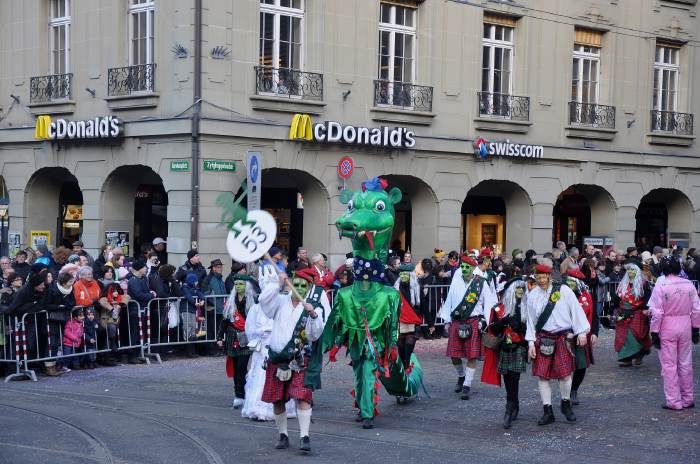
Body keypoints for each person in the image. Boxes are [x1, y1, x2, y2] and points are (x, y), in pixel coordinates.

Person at [258, 265, 330, 453]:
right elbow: (263, 302)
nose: (298, 287)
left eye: (303, 285)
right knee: (277, 400)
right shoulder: (280, 302)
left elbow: (314, 335)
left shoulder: (313, 307)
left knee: (302, 396)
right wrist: (277, 284)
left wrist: (313, 315)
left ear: (308, 287)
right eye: (295, 283)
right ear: (290, 284)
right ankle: (283, 435)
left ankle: (304, 437)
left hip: (299, 359)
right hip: (276, 358)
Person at [525, 262, 589, 426]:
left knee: (565, 375)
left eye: (544, 277)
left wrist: (581, 331)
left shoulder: (564, 291)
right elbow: (531, 322)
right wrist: (531, 343)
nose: (542, 280)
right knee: (542, 376)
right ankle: (548, 411)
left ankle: (565, 404)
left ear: (550, 276)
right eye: (538, 277)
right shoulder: (532, 295)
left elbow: (576, 310)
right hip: (543, 338)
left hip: (562, 338)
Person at [439, 254, 497, 400]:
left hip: (473, 320)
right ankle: (461, 376)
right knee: (454, 355)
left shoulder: (480, 283)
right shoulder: (456, 281)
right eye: (462, 267)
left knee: (472, 355)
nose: (464, 269)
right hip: (457, 320)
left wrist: (486, 322)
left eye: (467, 267)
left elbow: (489, 303)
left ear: (473, 268)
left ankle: (467, 385)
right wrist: (446, 320)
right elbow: (450, 299)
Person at [649, 257, 700, 410]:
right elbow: (697, 309)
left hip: (667, 326)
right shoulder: (689, 284)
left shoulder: (661, 285)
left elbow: (657, 312)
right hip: (685, 325)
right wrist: (695, 328)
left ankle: (673, 400)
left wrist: (654, 332)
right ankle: (688, 398)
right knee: (685, 363)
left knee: (669, 365)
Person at [242, 281, 295, 422]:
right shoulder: (255, 309)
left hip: (277, 347)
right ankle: (258, 406)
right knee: (260, 376)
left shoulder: (283, 306)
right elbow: (250, 329)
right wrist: (262, 332)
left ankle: (281, 408)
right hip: (262, 348)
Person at [486, 278, 528, 429]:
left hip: (519, 346)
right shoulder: (499, 308)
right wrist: (504, 321)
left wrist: (520, 327)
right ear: (511, 291)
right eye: (518, 289)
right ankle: (514, 403)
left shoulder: (526, 307)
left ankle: (509, 408)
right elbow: (492, 329)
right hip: (504, 347)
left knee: (514, 377)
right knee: (507, 377)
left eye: (522, 289)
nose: (520, 292)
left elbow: (531, 329)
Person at [217, 275, 254, 408]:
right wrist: (219, 337)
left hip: (246, 337)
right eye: (236, 284)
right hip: (232, 337)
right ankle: (238, 396)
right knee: (235, 367)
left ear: (246, 286)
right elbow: (225, 321)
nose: (238, 286)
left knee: (242, 368)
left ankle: (244, 394)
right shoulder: (230, 301)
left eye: (241, 284)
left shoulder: (252, 301)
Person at [564, 269, 598, 406]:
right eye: (568, 281)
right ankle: (565, 394)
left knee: (581, 364)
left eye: (572, 282)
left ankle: (574, 390)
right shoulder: (560, 295)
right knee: (564, 366)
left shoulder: (587, 296)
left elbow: (595, 315)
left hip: (582, 335)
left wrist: (595, 332)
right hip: (564, 335)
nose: (569, 284)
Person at [393, 263, 422, 401]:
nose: (403, 276)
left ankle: (407, 379)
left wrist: (428, 324)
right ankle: (402, 384)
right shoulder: (396, 289)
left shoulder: (416, 289)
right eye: (401, 274)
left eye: (406, 274)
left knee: (407, 352)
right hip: (400, 324)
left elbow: (422, 306)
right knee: (400, 350)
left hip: (412, 324)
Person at [614, 261, 652, 367]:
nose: (631, 271)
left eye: (633, 270)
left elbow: (647, 298)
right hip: (623, 312)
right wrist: (613, 309)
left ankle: (639, 354)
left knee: (637, 335)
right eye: (629, 270)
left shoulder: (643, 284)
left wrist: (646, 308)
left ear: (637, 271)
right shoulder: (623, 284)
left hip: (637, 312)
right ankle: (626, 358)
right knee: (623, 335)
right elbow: (616, 298)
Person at [43, 271, 76, 376]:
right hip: (52, 320)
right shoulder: (52, 290)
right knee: (52, 343)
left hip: (62, 318)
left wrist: (64, 306)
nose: (72, 283)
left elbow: (72, 303)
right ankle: (49, 367)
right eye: (70, 281)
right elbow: (47, 305)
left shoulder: (70, 290)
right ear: (63, 282)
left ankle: (54, 365)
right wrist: (60, 306)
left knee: (57, 343)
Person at [97, 265, 127, 366]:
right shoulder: (100, 283)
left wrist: (120, 305)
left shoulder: (116, 284)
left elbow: (124, 296)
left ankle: (111, 356)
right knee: (108, 333)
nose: (109, 273)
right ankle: (106, 357)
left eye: (111, 271)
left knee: (111, 333)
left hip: (116, 316)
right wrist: (111, 308)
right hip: (104, 315)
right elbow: (101, 299)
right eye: (107, 271)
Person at [127, 259, 154, 364]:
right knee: (135, 333)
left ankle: (139, 352)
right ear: (139, 269)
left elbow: (145, 291)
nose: (146, 269)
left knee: (142, 332)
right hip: (135, 310)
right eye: (144, 267)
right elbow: (139, 295)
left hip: (143, 309)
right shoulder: (133, 281)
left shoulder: (143, 278)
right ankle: (132, 355)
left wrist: (150, 293)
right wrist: (151, 295)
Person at [203, 259, 227, 355]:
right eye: (218, 267)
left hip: (220, 309)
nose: (220, 269)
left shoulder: (220, 279)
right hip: (212, 309)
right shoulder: (208, 279)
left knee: (218, 330)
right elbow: (204, 292)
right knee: (211, 330)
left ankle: (217, 348)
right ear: (213, 268)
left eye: (221, 267)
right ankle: (211, 350)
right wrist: (211, 301)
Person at [180, 272, 205, 357]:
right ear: (192, 281)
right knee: (187, 328)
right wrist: (195, 303)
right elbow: (188, 296)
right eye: (195, 281)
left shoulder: (194, 287)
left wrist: (202, 300)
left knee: (193, 328)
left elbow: (200, 293)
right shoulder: (184, 287)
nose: (197, 282)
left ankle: (193, 351)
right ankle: (189, 351)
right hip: (186, 310)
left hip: (192, 310)